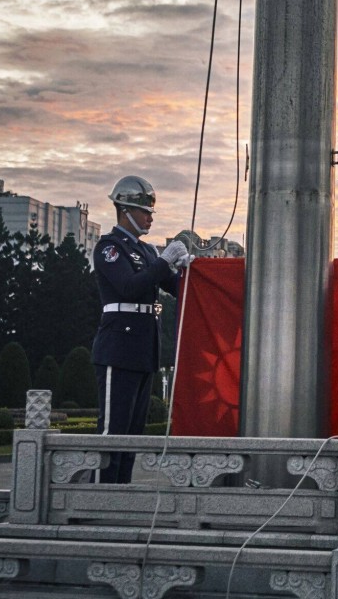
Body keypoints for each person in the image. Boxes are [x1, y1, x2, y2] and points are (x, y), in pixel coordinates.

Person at [91, 175, 191, 483]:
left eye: (150, 213)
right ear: (124, 210)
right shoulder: (110, 247)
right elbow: (128, 287)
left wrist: (192, 271)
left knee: (133, 432)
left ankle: (120, 493)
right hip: (118, 348)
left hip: (144, 350)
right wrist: (164, 263)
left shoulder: (147, 252)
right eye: (143, 211)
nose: (149, 218)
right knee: (113, 430)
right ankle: (98, 496)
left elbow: (176, 288)